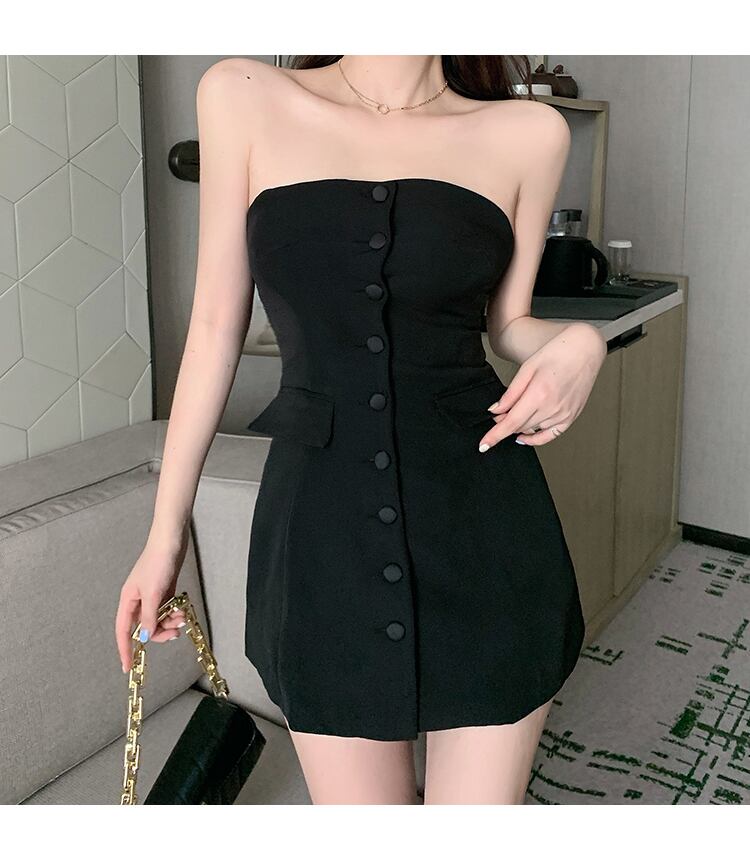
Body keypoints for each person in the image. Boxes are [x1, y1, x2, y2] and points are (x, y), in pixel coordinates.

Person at [115, 55, 607, 805]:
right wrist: (164, 537)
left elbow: (508, 324)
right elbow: (214, 326)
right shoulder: (243, 95)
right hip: (320, 534)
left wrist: (582, 342)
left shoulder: (530, 132)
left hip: (483, 520)